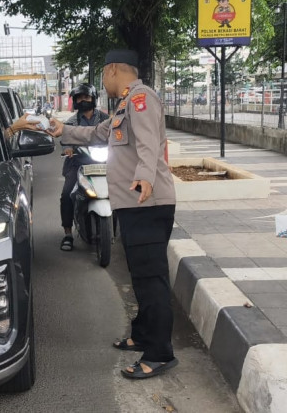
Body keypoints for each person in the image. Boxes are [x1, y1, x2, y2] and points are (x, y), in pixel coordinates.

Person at [48, 49, 177, 379]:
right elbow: (97, 133)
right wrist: (61, 130)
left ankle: (160, 353)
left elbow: (149, 143)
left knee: (152, 279)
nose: (103, 82)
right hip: (132, 204)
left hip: (146, 202)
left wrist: (145, 177)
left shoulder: (141, 99)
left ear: (113, 71)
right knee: (140, 275)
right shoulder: (124, 104)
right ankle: (142, 334)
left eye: (104, 75)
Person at [59, 83, 109, 251]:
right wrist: (67, 148)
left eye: (86, 97)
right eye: (79, 98)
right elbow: (64, 140)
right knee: (67, 194)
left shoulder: (106, 119)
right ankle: (68, 234)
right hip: (78, 162)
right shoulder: (71, 122)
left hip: (103, 162)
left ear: (93, 99)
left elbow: (117, 136)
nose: (83, 100)